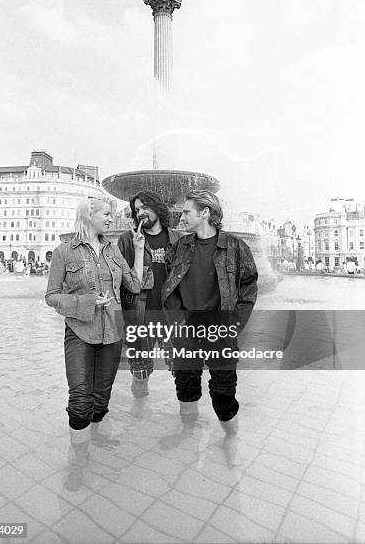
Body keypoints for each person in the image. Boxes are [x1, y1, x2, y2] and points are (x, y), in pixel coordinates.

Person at [45, 195, 145, 490]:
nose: (111, 219)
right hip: (79, 330)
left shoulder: (113, 251)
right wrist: (88, 301)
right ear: (88, 216)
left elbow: (135, 286)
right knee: (79, 400)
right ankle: (78, 460)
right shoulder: (64, 252)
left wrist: (139, 251)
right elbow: (51, 296)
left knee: (101, 400)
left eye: (111, 215)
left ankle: (94, 437)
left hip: (112, 332)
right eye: (106, 214)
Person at [162, 190, 258, 429]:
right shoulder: (179, 247)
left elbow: (248, 288)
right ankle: (188, 441)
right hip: (186, 331)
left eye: (186, 211)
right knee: (186, 391)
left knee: (223, 397)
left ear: (204, 213)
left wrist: (233, 324)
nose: (181, 216)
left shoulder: (236, 246)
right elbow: (169, 285)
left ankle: (230, 446)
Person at [117, 191, 181, 397]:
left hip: (172, 318)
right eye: (137, 210)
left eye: (145, 207)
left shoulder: (177, 239)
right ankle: (139, 418)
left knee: (183, 372)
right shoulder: (127, 240)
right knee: (140, 374)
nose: (141, 213)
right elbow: (122, 281)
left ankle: (189, 421)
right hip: (140, 318)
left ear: (157, 208)